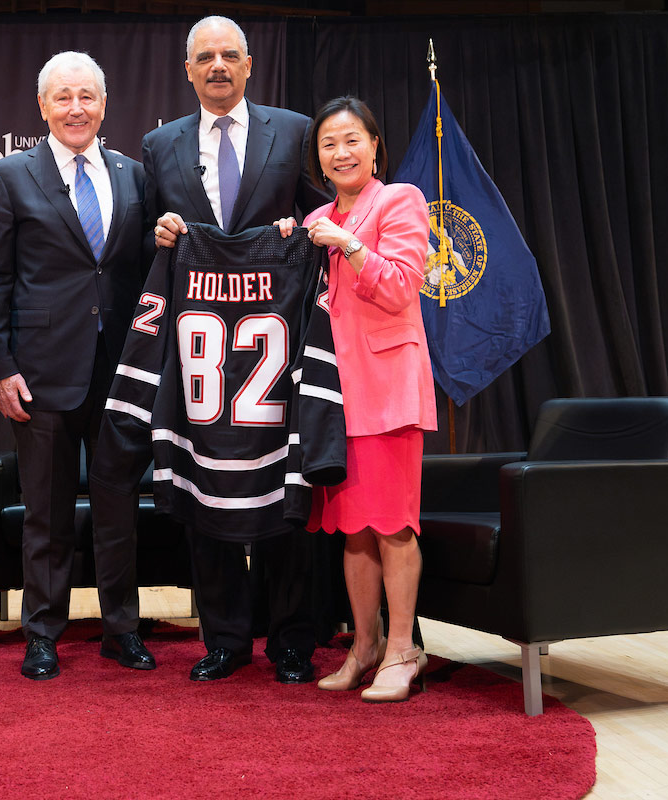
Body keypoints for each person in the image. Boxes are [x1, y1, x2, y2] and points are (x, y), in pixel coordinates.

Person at [145, 15, 325, 684]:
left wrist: (301, 228)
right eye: (204, 57)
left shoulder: (297, 131)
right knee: (205, 495)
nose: (217, 66)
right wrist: (162, 231)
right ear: (188, 71)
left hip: (276, 348)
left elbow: (328, 218)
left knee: (282, 492)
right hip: (201, 358)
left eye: (229, 55)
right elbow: (145, 241)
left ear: (249, 65)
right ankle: (223, 640)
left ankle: (291, 641)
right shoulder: (160, 146)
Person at [0, 52, 153, 680]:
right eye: (63, 98)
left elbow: (139, 275)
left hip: (119, 371)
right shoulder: (9, 177)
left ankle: (121, 630)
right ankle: (43, 633)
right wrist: (0, 366)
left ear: (104, 105)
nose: (76, 108)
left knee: (119, 507)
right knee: (46, 512)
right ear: (43, 106)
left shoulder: (134, 175)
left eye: (87, 97)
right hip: (40, 371)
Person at [276, 96, 436, 702]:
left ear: (374, 146)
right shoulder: (316, 217)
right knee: (354, 530)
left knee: (393, 526)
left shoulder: (400, 201)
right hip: (331, 396)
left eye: (352, 140)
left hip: (389, 391)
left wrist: (349, 243)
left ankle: (402, 650)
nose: (341, 153)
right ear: (316, 156)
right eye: (328, 144)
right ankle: (363, 646)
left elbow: (401, 287)